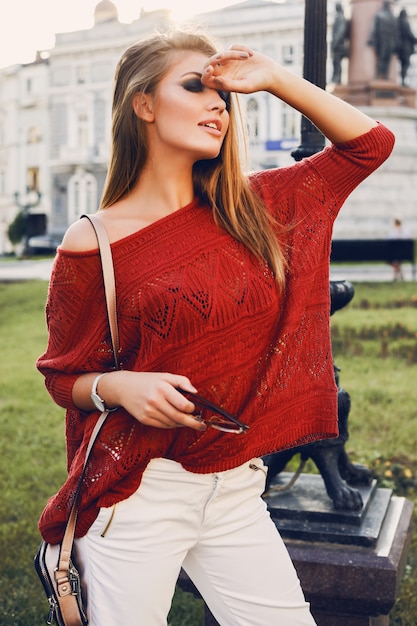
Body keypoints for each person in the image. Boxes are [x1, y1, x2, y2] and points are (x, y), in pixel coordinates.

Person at [36, 29, 395, 626]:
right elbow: (63, 376)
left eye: (225, 97)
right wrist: (119, 387)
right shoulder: (95, 240)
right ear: (143, 104)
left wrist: (276, 77)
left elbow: (371, 145)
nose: (218, 105)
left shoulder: (259, 208)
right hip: (138, 493)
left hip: (235, 489)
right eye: (197, 86)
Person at [368, 0, 398, 80]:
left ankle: (386, 75)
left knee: (388, 58)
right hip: (382, 40)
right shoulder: (379, 15)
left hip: (390, 40)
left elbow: (396, 30)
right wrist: (371, 39)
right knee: (381, 57)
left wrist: (396, 42)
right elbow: (374, 28)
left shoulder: (392, 16)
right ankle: (378, 75)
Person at [397, 8, 417, 86]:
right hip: (406, 48)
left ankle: (402, 80)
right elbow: (410, 34)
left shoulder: (397, 22)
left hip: (400, 48)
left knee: (403, 65)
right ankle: (403, 81)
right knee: (406, 64)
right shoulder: (405, 22)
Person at [331, 2, 349, 84]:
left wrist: (336, 41)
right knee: (335, 62)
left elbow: (341, 31)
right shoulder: (338, 17)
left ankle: (337, 78)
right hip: (337, 43)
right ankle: (336, 78)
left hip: (339, 44)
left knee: (337, 61)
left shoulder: (340, 18)